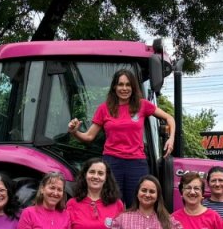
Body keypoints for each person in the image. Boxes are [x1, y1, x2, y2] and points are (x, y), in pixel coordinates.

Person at [67, 69, 175, 206]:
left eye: (128, 85)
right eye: (121, 84)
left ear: (133, 87)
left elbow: (169, 118)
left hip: (136, 163)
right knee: (110, 203)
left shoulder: (142, 105)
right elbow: (88, 136)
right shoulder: (104, 109)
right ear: (114, 87)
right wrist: (75, 131)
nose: (124, 88)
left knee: (138, 204)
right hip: (112, 163)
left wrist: (171, 139)